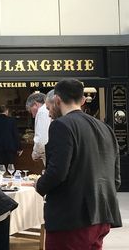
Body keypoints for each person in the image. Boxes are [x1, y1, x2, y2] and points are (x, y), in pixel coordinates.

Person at [36, 79, 122, 250]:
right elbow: (116, 178)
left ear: (58, 100)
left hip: (71, 218)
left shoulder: (61, 125)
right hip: (102, 214)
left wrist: (39, 184)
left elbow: (57, 172)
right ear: (83, 101)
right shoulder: (106, 129)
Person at [25, 91, 50, 165]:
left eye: (31, 110)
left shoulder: (42, 111)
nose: (33, 116)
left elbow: (42, 140)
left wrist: (35, 154)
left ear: (36, 104)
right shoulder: (48, 110)